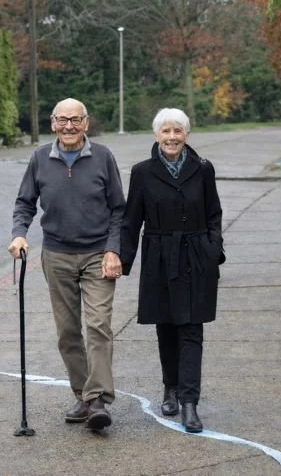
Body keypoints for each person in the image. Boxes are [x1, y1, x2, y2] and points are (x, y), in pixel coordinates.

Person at [9, 98, 125, 431]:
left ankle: (99, 398)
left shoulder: (103, 157)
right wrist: (19, 234)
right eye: (62, 120)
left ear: (86, 123)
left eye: (75, 120)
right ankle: (86, 398)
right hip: (57, 255)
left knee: (99, 325)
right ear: (52, 123)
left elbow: (119, 209)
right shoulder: (39, 158)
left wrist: (114, 250)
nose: (69, 126)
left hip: (97, 254)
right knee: (68, 331)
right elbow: (24, 204)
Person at [120, 108, 225, 433]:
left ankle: (189, 403)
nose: (172, 137)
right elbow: (131, 220)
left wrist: (213, 251)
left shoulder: (203, 169)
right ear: (156, 135)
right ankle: (171, 389)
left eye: (178, 131)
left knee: (192, 329)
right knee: (166, 326)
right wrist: (120, 261)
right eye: (166, 131)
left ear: (186, 135)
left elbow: (214, 213)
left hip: (195, 257)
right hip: (159, 257)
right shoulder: (142, 172)